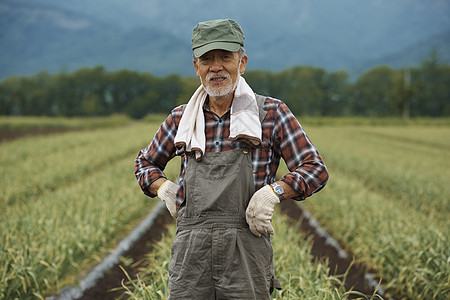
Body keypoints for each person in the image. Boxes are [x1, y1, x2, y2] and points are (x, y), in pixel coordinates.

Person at [134, 18, 329, 299]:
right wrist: (162, 188)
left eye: (225, 57)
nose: (216, 67)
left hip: (246, 251)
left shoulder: (271, 114)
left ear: (242, 62)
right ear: (196, 67)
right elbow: (145, 163)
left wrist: (273, 193)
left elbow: (315, 169)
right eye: (207, 59)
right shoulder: (181, 119)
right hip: (191, 256)